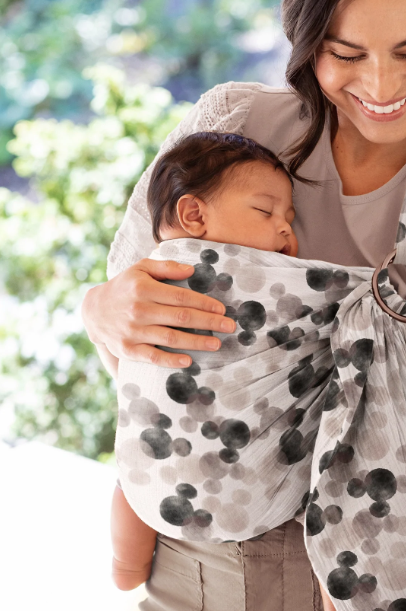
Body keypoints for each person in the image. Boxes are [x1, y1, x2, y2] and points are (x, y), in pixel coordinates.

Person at [81, 0, 406, 608]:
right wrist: (99, 306)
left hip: (363, 564)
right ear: (306, 40)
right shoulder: (239, 124)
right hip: (189, 549)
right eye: (346, 52)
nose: (383, 83)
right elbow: (139, 329)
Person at [109, 131, 298, 591]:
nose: (285, 228)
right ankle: (125, 564)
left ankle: (127, 566)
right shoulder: (158, 274)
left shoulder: (278, 276)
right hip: (163, 423)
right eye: (265, 211)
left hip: (230, 443)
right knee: (133, 475)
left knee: (131, 480)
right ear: (193, 214)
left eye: (290, 218)